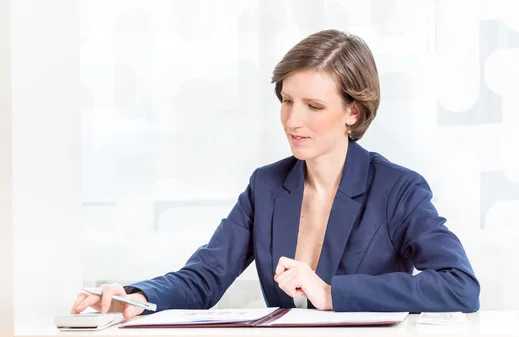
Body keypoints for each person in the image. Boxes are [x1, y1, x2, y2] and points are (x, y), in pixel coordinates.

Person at [71, 29, 480, 320]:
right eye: (287, 100)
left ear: (353, 113)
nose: (292, 120)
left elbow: (460, 286)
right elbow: (206, 277)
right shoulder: (266, 186)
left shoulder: (396, 189)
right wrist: (140, 296)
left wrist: (333, 294)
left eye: (314, 107)